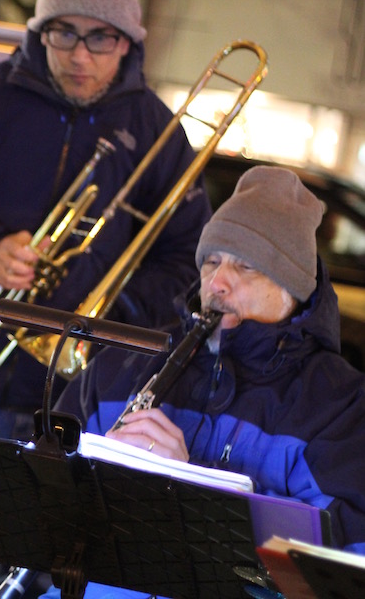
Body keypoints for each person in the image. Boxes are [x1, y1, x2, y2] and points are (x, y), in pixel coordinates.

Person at [0, 0, 213, 597]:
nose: (80, 54)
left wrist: (109, 312)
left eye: (100, 39)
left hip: (80, 391)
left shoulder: (160, 131)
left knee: (34, 567)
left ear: (128, 42)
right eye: (65, 33)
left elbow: (188, 258)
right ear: (40, 31)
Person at [41, 165, 365, 598]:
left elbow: (344, 561)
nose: (217, 282)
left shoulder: (340, 403)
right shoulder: (123, 366)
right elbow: (40, 503)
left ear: (292, 289)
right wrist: (91, 473)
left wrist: (191, 485)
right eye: (211, 261)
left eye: (246, 266)